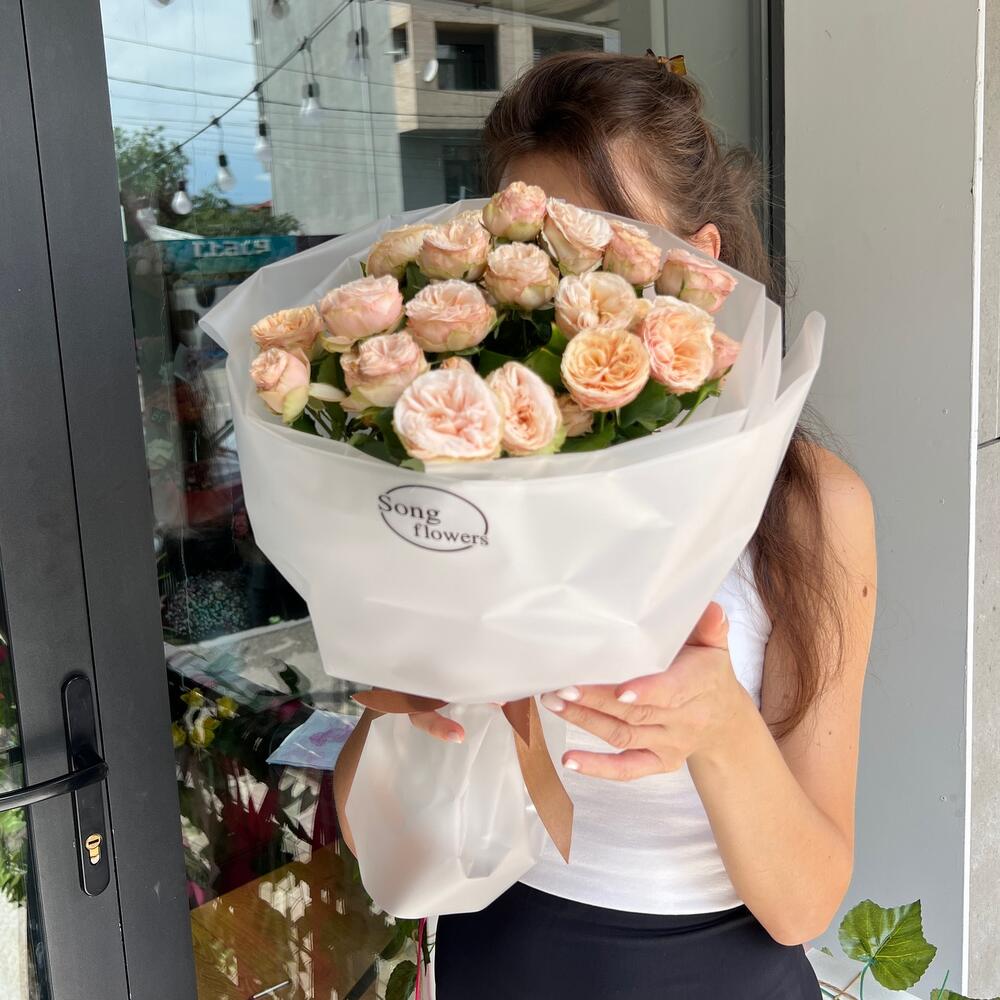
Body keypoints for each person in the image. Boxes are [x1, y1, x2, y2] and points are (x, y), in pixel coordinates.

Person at [337, 51, 878, 1000]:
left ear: (705, 264)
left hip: (715, 975)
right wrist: (415, 700)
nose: (567, 296)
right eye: (533, 255)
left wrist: (720, 729)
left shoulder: (807, 508)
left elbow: (805, 905)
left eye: (603, 251)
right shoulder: (471, 485)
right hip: (499, 952)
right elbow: (364, 821)